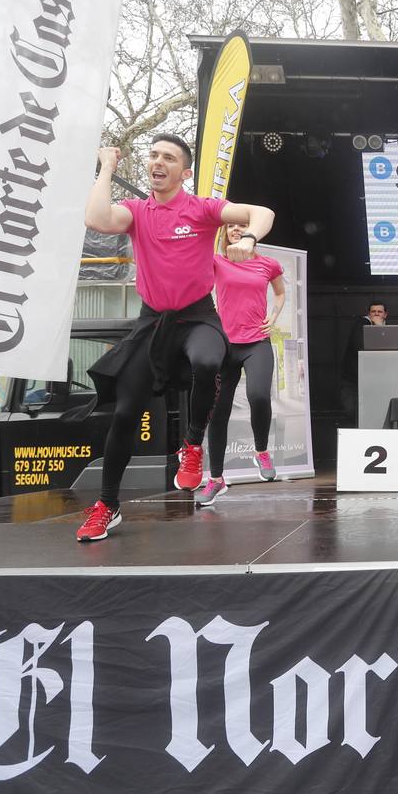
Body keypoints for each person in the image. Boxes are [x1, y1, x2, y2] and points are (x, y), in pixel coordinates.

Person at [77, 136, 274, 541]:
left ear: (184, 172)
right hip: (153, 324)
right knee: (126, 414)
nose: (157, 162)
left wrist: (251, 238)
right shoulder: (134, 212)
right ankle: (108, 505)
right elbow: (96, 219)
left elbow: (261, 211)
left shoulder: (201, 209)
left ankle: (192, 443)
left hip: (198, 318)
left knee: (206, 361)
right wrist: (107, 167)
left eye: (168, 157)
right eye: (153, 156)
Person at [194, 222, 287, 507]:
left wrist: (275, 314)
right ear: (225, 233)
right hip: (225, 346)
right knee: (218, 413)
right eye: (231, 226)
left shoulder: (268, 264)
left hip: (256, 342)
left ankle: (261, 451)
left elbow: (280, 293)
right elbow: (193, 277)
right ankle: (216, 479)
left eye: (242, 226)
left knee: (258, 396)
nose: (236, 229)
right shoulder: (217, 262)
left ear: (252, 232)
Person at [341, 301, 388, 423]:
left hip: (373, 379)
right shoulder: (361, 323)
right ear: (368, 313)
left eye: (379, 311)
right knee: (353, 411)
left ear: (385, 314)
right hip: (354, 378)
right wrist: (377, 327)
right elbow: (361, 346)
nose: (376, 314)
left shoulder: (388, 328)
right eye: (373, 311)